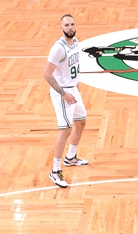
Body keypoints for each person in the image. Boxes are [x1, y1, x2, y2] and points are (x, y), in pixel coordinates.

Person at [43, 14, 88, 189]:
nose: (70, 27)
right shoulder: (58, 48)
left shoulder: (75, 42)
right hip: (62, 93)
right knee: (66, 129)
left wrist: (75, 85)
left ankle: (70, 157)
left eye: (72, 24)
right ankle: (55, 171)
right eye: (66, 25)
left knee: (81, 121)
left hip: (72, 89)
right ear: (61, 28)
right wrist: (63, 93)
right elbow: (47, 74)